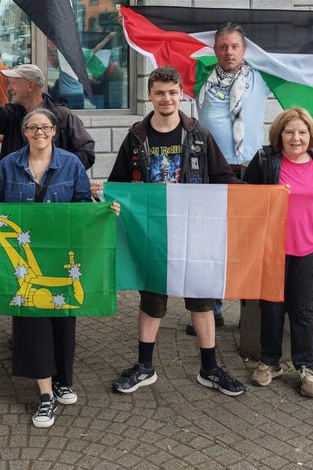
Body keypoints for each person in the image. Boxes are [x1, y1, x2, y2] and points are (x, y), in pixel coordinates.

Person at [97, 66, 247, 397]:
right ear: (149, 95)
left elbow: (222, 177)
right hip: (152, 232)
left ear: (182, 95)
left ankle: (210, 369)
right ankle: (144, 367)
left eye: (173, 92)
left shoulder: (198, 134)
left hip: (194, 231)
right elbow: (119, 183)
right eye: (160, 93)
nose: (167, 99)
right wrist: (108, 199)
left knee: (202, 301)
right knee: (151, 298)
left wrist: (254, 195)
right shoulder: (136, 136)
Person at [0, 107, 95, 427]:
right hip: (23, 259)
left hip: (61, 255)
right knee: (33, 321)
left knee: (63, 318)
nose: (39, 133)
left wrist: (104, 211)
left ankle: (62, 379)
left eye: (45, 127)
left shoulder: (71, 164)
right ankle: (45, 394)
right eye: (32, 128)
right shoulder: (8, 166)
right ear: (24, 132)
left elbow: (84, 205)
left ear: (55, 131)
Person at [243, 107, 313, 398]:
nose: (296, 138)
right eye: (289, 132)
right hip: (272, 249)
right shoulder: (265, 161)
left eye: (302, 132)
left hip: (309, 248)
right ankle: (270, 362)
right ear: (279, 135)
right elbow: (247, 201)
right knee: (271, 307)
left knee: (303, 311)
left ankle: (306, 367)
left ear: (311, 135)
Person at [190, 22, 262, 334]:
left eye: (234, 46)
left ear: (245, 50)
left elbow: (300, 59)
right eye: (222, 46)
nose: (229, 52)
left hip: (250, 169)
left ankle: (252, 313)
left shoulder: (260, 77)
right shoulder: (200, 77)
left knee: (248, 241)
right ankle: (212, 310)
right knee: (211, 241)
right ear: (214, 50)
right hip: (211, 170)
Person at [0, 61, 96, 170]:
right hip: (17, 190)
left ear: (30, 85)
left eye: (13, 83)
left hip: (53, 192)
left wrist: (61, 171)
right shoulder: (12, 114)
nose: (9, 88)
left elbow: (86, 151)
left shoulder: (62, 116)